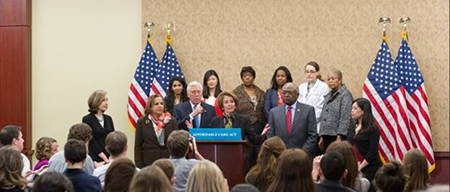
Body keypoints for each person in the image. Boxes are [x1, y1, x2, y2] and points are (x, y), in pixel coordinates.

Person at [267, 82, 317, 156]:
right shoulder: (274, 112)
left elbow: (312, 135)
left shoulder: (308, 110)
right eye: (284, 93)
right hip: (280, 156)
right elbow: (270, 135)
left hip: (302, 157)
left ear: (297, 95)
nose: (286, 95)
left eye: (290, 92)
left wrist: (303, 153)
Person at [233, 66, 266, 166]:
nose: (247, 78)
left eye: (250, 75)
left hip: (260, 127)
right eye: (245, 76)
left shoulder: (261, 92)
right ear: (242, 78)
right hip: (245, 128)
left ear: (253, 77)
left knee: (260, 157)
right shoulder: (236, 93)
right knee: (246, 157)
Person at [135, 94, 178, 168]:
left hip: (167, 162)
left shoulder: (171, 121)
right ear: (150, 107)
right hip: (149, 163)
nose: (160, 106)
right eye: (156, 104)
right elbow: (138, 146)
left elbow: (176, 143)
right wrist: (139, 165)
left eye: (161, 104)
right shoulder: (142, 122)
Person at [347, 98, 381, 185]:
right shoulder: (352, 126)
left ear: (363, 111)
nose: (352, 111)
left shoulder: (372, 128)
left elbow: (372, 152)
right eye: (352, 109)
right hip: (355, 165)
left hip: (370, 168)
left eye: (355, 108)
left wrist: (359, 168)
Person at [318, 69, 353, 153]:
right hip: (326, 135)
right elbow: (324, 116)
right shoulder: (328, 95)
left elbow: (345, 117)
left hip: (337, 136)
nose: (330, 81)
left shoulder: (345, 95)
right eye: (328, 79)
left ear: (340, 80)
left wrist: (340, 136)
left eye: (333, 79)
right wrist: (321, 135)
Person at [82, 90, 115, 163]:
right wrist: (105, 158)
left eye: (107, 100)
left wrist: (112, 156)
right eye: (103, 100)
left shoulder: (108, 118)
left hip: (110, 157)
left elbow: (113, 138)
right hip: (95, 158)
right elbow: (91, 140)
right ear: (96, 101)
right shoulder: (87, 119)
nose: (106, 103)